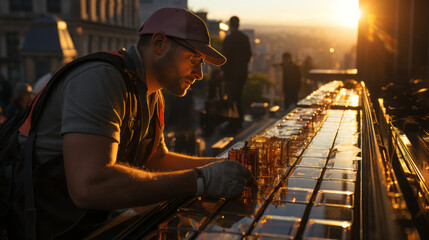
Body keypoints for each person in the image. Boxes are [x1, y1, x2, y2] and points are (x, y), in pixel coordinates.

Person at [7, 7, 253, 239]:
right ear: (159, 44)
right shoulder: (100, 78)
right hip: (48, 229)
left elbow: (156, 159)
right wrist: (201, 180)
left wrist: (221, 165)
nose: (200, 74)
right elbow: (89, 186)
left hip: (92, 224)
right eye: (195, 58)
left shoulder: (152, 94)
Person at [221, 16, 252, 130]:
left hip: (231, 75)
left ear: (230, 24)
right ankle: (238, 121)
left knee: (232, 98)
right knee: (238, 97)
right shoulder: (245, 38)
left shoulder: (229, 39)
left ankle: (233, 123)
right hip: (242, 74)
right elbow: (249, 56)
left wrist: (224, 72)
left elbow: (225, 58)